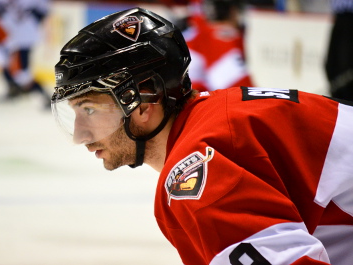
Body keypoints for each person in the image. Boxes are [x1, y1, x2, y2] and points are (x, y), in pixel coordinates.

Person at [51, 7, 353, 265]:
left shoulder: (197, 167)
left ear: (145, 101)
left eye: (89, 109)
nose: (79, 135)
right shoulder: (216, 116)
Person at [0, 0, 51, 107]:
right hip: (14, 35)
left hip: (23, 36)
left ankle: (45, 96)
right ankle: (14, 88)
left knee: (22, 74)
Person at [182, 0, 254, 92]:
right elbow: (243, 92)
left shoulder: (196, 34)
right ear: (233, 11)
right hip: (192, 101)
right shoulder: (223, 40)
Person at [324, 0, 353, 101]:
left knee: (346, 70)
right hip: (339, 16)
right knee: (331, 67)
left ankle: (348, 105)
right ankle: (338, 104)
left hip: (350, 17)